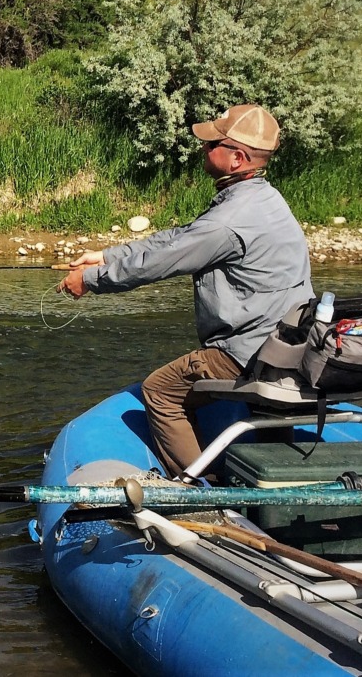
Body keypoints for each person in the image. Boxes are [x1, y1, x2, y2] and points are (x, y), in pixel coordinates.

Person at [58, 104, 313, 477]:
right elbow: (178, 240)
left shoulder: (230, 221)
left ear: (237, 158)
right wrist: (107, 255)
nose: (204, 149)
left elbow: (160, 262)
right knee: (263, 409)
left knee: (160, 390)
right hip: (285, 345)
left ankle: (197, 489)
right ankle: (274, 480)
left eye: (212, 145)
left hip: (249, 350)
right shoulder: (264, 199)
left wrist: (91, 280)